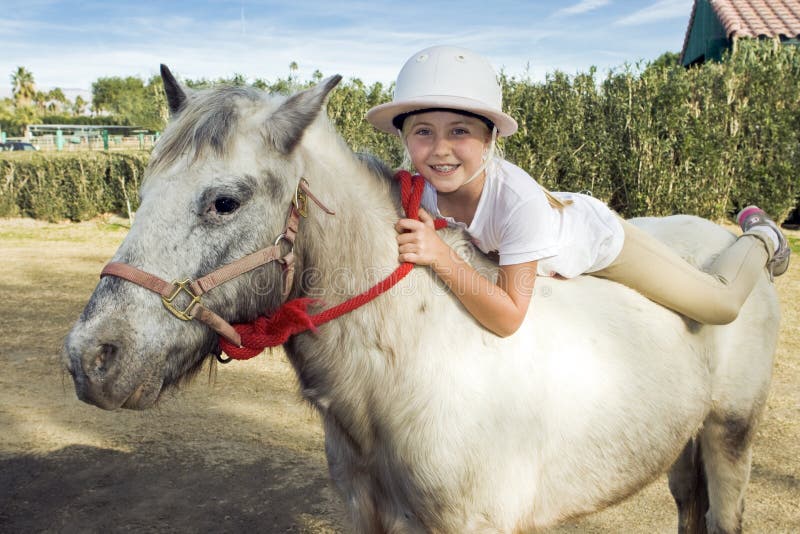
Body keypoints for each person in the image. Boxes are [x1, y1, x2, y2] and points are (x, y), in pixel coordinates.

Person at [366, 45, 791, 337]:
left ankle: (760, 235)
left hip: (595, 242)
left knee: (718, 304)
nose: (440, 149)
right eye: (423, 131)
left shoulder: (517, 202)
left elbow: (510, 317)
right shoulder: (415, 190)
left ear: (491, 138)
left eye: (459, 131)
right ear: (404, 140)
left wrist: (441, 255)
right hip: (549, 232)